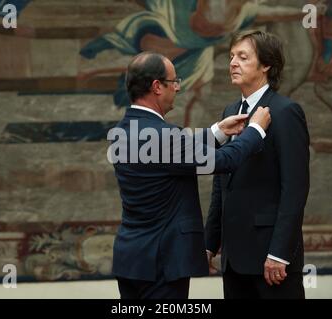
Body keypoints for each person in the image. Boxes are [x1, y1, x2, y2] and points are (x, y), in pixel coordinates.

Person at [110, 51, 271, 299]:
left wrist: (217, 131)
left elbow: (169, 156)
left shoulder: (122, 131)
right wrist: (256, 129)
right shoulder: (164, 137)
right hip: (162, 262)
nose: (177, 88)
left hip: (132, 259)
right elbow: (224, 161)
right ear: (157, 87)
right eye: (174, 82)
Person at [205, 30, 310, 299]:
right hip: (233, 260)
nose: (233, 63)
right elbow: (222, 183)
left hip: (271, 261)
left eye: (243, 57)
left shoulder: (285, 111)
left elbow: (295, 188)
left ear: (266, 65)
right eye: (231, 57)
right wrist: (209, 243)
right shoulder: (230, 112)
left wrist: (279, 253)